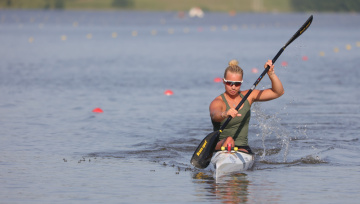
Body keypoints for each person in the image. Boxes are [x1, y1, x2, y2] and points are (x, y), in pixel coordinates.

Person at [209, 59, 284, 153]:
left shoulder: (248, 96)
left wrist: (271, 74)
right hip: (221, 147)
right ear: (223, 81)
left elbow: (278, 92)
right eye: (229, 83)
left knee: (232, 142)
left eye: (237, 84)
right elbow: (214, 115)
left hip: (242, 147)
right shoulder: (218, 102)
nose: (233, 87)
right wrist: (225, 114)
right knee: (229, 141)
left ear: (241, 82)